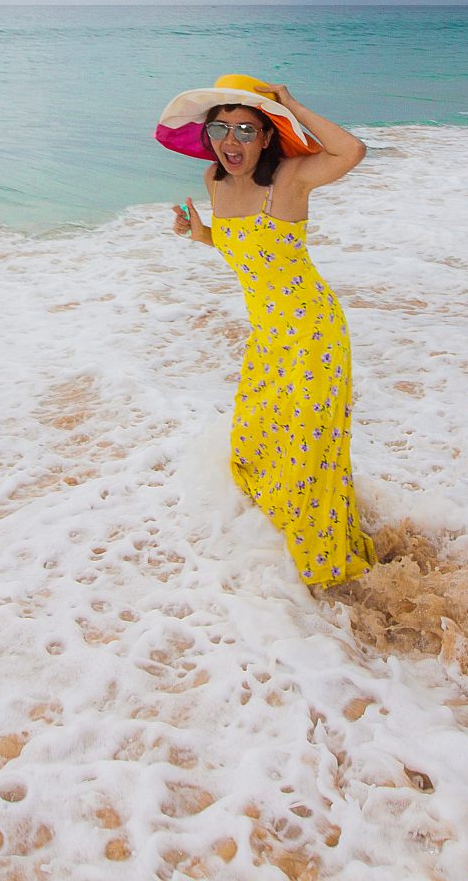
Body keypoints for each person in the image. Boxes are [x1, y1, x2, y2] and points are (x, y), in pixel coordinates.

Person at [163, 79, 376, 588]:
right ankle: (285, 536)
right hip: (266, 338)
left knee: (308, 450)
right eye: (220, 128)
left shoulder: (290, 179)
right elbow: (243, 248)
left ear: (266, 136)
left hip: (313, 336)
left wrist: (293, 105)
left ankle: (326, 570)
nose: (230, 141)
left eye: (245, 129)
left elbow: (352, 150)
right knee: (254, 440)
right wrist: (201, 233)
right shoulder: (214, 180)